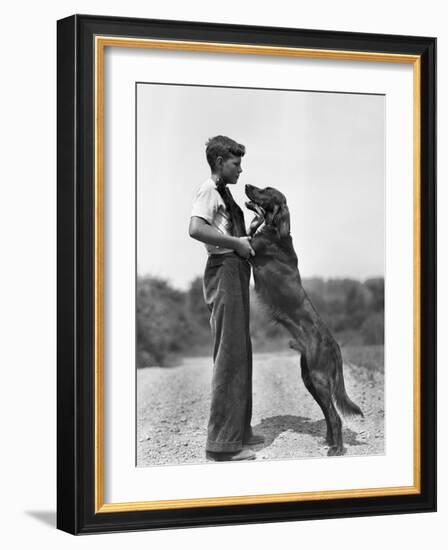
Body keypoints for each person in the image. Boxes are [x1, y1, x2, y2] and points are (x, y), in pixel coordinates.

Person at [189, 135, 265, 461]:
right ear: (220, 162)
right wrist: (236, 244)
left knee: (240, 352)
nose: (241, 169)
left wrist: (253, 229)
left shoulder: (225, 194)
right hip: (223, 272)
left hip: (235, 271)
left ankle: (240, 432)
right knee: (228, 356)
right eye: (236, 163)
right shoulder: (208, 188)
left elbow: (229, 235)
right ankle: (221, 446)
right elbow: (195, 229)